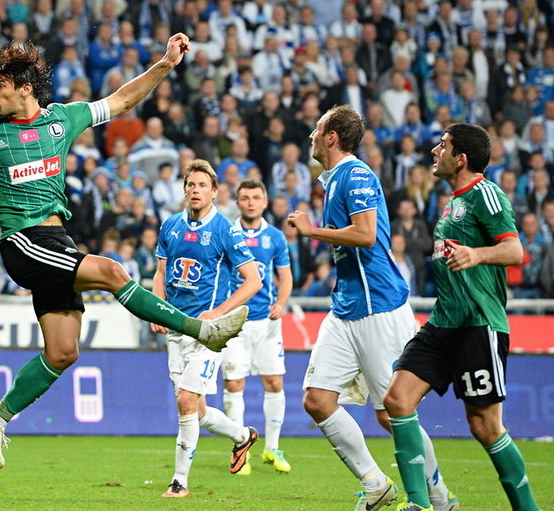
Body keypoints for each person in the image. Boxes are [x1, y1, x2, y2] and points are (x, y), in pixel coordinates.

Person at [0, 35, 248, 472]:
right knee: (112, 270)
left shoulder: (63, 120)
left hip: (57, 241)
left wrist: (164, 64)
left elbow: (121, 100)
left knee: (63, 352)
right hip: (23, 243)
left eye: (0, 86)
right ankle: (202, 331)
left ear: (24, 88)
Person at [286, 105, 453, 511]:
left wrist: (312, 231)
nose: (310, 133)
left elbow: (363, 234)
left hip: (378, 307)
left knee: (392, 412)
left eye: (318, 127)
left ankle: (438, 498)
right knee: (317, 400)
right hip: (345, 308)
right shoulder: (333, 180)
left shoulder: (357, 174)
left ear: (331, 137)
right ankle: (375, 483)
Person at [383, 124, 538, 511]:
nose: (435, 151)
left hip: (478, 323)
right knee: (397, 401)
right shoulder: (452, 201)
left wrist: (477, 254)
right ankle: (418, 504)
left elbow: (515, 250)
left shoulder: (486, 193)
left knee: (485, 427)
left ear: (461, 158)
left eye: (443, 145)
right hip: (442, 323)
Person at [151, 160, 262, 498]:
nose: (195, 190)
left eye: (202, 185)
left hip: (207, 334)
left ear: (214, 192)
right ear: (184, 189)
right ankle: (242, 436)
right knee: (195, 412)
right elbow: (160, 273)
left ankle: (179, 482)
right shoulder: (170, 225)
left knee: (186, 401)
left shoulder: (226, 230)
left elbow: (253, 281)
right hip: (175, 330)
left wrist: (218, 312)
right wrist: (158, 307)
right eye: (191, 184)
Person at [221, 179, 294, 475]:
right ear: (238, 202)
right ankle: (240, 449)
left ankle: (272, 448)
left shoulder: (275, 237)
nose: (250, 202)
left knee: (274, 383)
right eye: (245, 198)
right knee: (234, 384)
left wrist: (282, 302)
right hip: (235, 322)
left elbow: (285, 277)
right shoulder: (227, 232)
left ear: (264, 202)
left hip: (266, 322)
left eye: (256, 197)